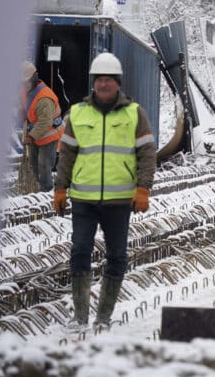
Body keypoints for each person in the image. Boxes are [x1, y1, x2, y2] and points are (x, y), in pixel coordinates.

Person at [53, 52, 156, 330]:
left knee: (117, 256)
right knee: (80, 251)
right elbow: (67, 155)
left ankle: (103, 316)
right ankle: (81, 316)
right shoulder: (78, 112)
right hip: (84, 199)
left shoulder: (135, 113)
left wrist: (143, 188)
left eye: (109, 80)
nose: (104, 84)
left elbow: (147, 153)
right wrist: (60, 189)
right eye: (99, 80)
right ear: (93, 83)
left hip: (119, 200)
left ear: (118, 83)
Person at [19, 61, 62, 192]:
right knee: (34, 164)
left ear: (34, 78)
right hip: (36, 134)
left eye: (26, 82)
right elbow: (26, 107)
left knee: (44, 165)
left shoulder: (44, 97)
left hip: (49, 135)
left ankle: (47, 192)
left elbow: (45, 122)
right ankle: (41, 188)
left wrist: (31, 137)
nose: (24, 85)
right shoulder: (25, 91)